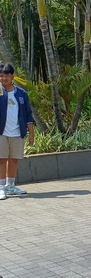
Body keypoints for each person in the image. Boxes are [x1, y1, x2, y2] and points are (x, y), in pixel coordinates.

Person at [0, 63, 35, 200]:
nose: (3, 79)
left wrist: (31, 133)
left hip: (17, 132)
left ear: (12, 76)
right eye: (1, 76)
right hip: (1, 132)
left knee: (13, 160)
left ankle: (10, 186)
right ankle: (1, 187)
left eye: (6, 76)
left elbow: (28, 114)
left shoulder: (21, 94)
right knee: (1, 160)